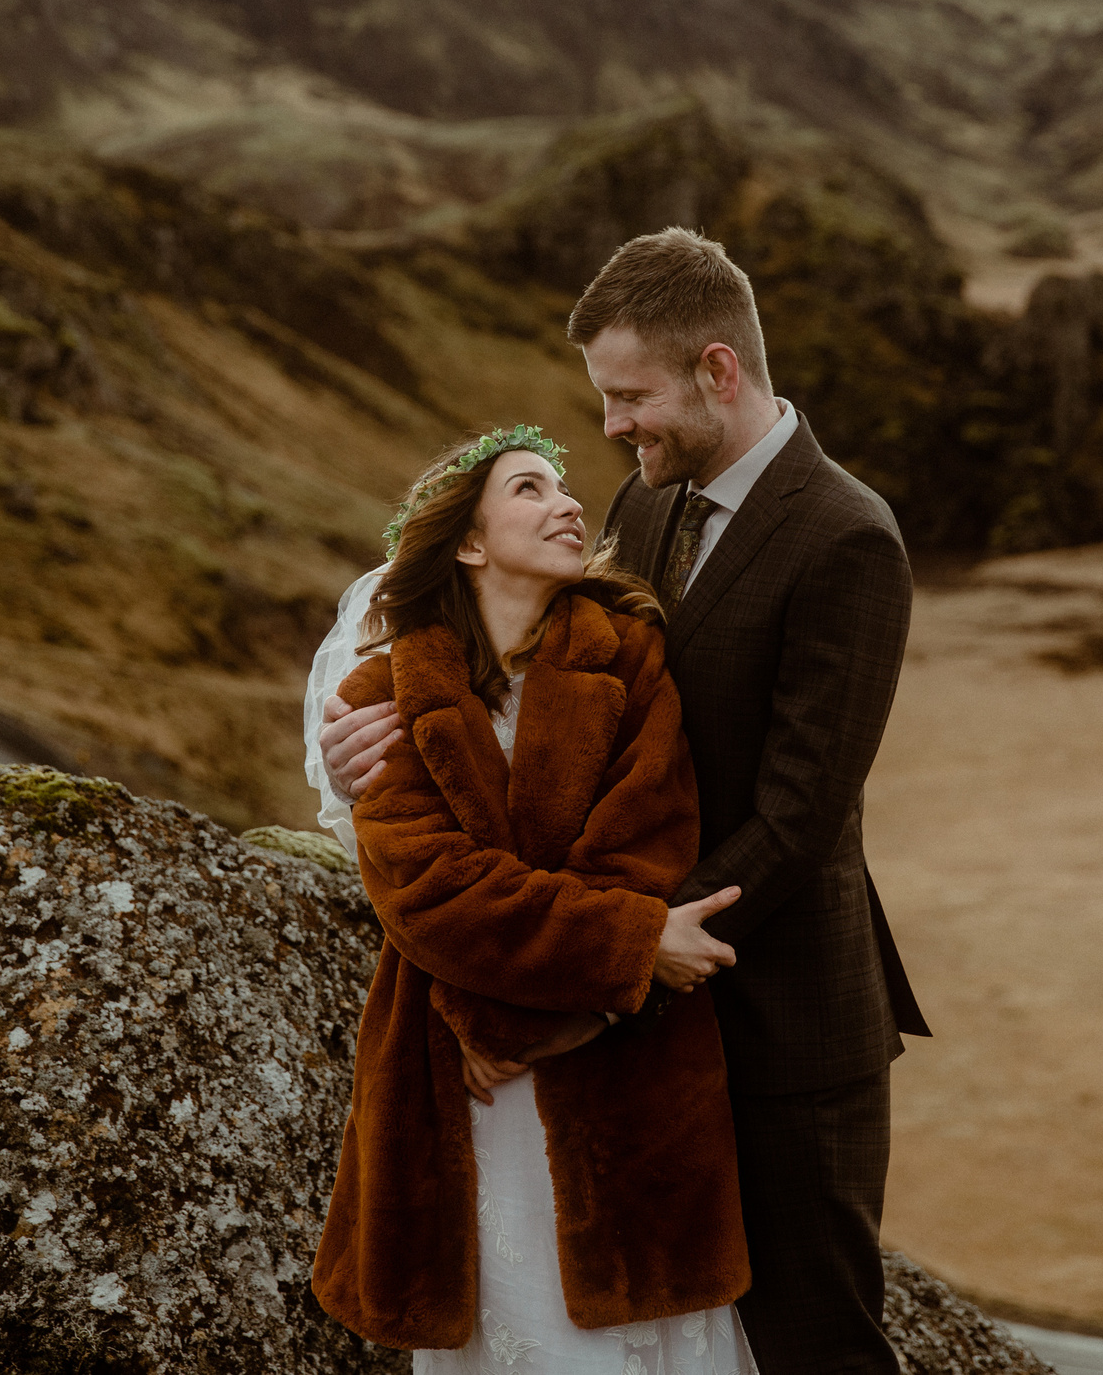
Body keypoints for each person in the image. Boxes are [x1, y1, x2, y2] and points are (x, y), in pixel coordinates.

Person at [320, 231, 927, 1375]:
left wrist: (618, 972)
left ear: (716, 370)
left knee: (814, 1337)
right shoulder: (652, 503)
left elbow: (799, 817)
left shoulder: (848, 536)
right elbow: (530, 668)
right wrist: (379, 729)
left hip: (783, 1013)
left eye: (628, 396)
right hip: (649, 1033)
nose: (609, 428)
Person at [309, 424, 762, 1371]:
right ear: (469, 541)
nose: (567, 503)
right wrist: (621, 954)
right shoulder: (383, 689)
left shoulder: (630, 655)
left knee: (633, 1324)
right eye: (529, 488)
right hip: (464, 1072)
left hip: (625, 1062)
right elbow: (426, 887)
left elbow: (647, 843)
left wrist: (582, 1001)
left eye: (564, 487)